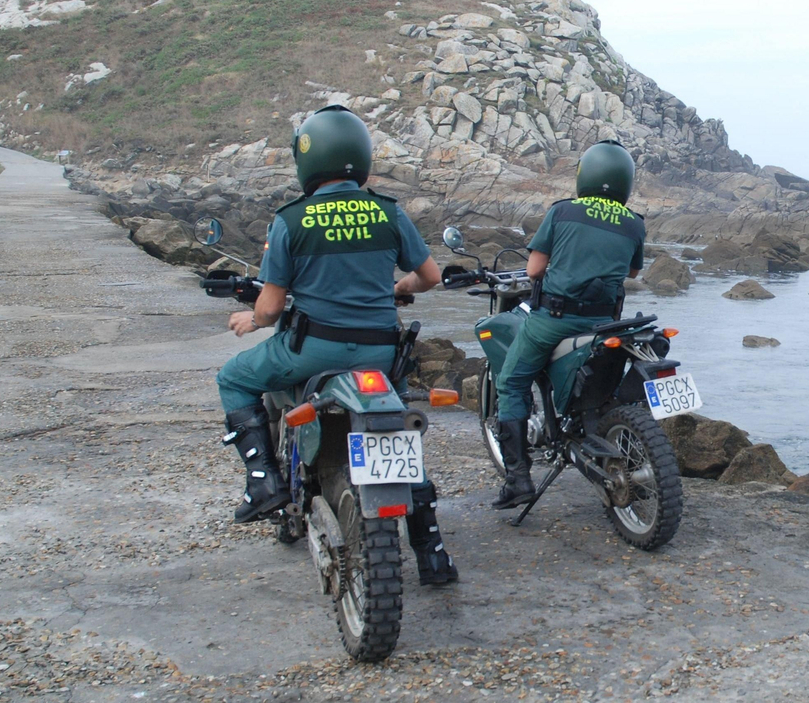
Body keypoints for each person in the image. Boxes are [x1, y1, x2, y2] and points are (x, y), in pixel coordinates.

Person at [214, 104, 459, 585]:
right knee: (396, 437)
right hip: (381, 355)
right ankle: (431, 554)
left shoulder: (290, 220)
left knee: (233, 378)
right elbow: (429, 277)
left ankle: (263, 483)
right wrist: (395, 289)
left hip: (314, 351)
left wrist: (251, 318)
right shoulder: (387, 211)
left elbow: (269, 308)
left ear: (308, 160)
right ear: (360, 157)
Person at [494, 140, 645, 509]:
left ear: (585, 174)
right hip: (605, 324)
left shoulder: (563, 212)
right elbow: (633, 271)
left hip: (556, 321)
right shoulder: (634, 223)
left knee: (511, 383)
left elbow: (533, 270)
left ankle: (517, 479)